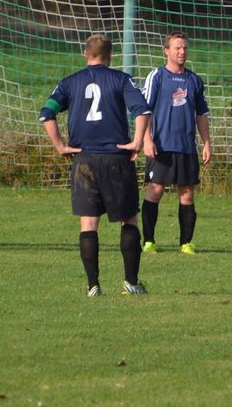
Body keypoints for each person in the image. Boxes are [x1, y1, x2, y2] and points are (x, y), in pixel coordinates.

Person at [40, 34, 151, 297]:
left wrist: (60, 146)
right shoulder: (121, 79)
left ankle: (93, 286)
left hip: (84, 160)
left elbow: (47, 114)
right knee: (129, 220)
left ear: (85, 54)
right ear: (110, 55)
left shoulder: (69, 82)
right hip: (115, 159)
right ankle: (131, 282)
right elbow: (142, 111)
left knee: (88, 225)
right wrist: (136, 142)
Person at [140, 31, 212, 255]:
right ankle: (149, 241)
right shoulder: (157, 77)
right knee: (155, 191)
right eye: (177, 48)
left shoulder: (194, 80)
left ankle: (186, 243)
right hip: (161, 146)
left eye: (185, 48)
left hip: (186, 147)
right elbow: (144, 111)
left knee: (187, 194)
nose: (182, 52)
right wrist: (146, 139)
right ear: (166, 51)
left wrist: (207, 143)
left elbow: (201, 114)